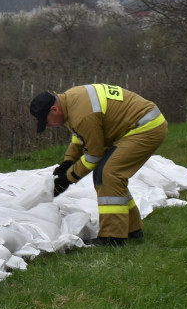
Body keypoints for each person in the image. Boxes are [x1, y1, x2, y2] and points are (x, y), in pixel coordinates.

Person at [30, 84, 167, 246]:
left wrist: (68, 178)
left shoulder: (82, 114)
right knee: (107, 175)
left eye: (46, 121)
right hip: (137, 126)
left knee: (108, 174)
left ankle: (113, 237)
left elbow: (93, 156)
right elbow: (80, 136)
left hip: (146, 128)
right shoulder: (70, 101)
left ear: (54, 109)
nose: (48, 126)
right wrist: (69, 161)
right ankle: (132, 229)